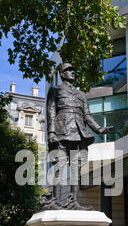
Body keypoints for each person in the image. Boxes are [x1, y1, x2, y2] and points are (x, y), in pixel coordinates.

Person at [42, 62, 108, 210]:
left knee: (76, 169)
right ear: (62, 74)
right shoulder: (55, 89)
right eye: (68, 70)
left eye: (73, 70)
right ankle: (56, 201)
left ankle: (74, 202)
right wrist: (51, 132)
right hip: (61, 132)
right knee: (59, 166)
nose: (72, 72)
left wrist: (99, 129)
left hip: (79, 134)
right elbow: (51, 112)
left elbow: (87, 115)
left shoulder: (81, 94)